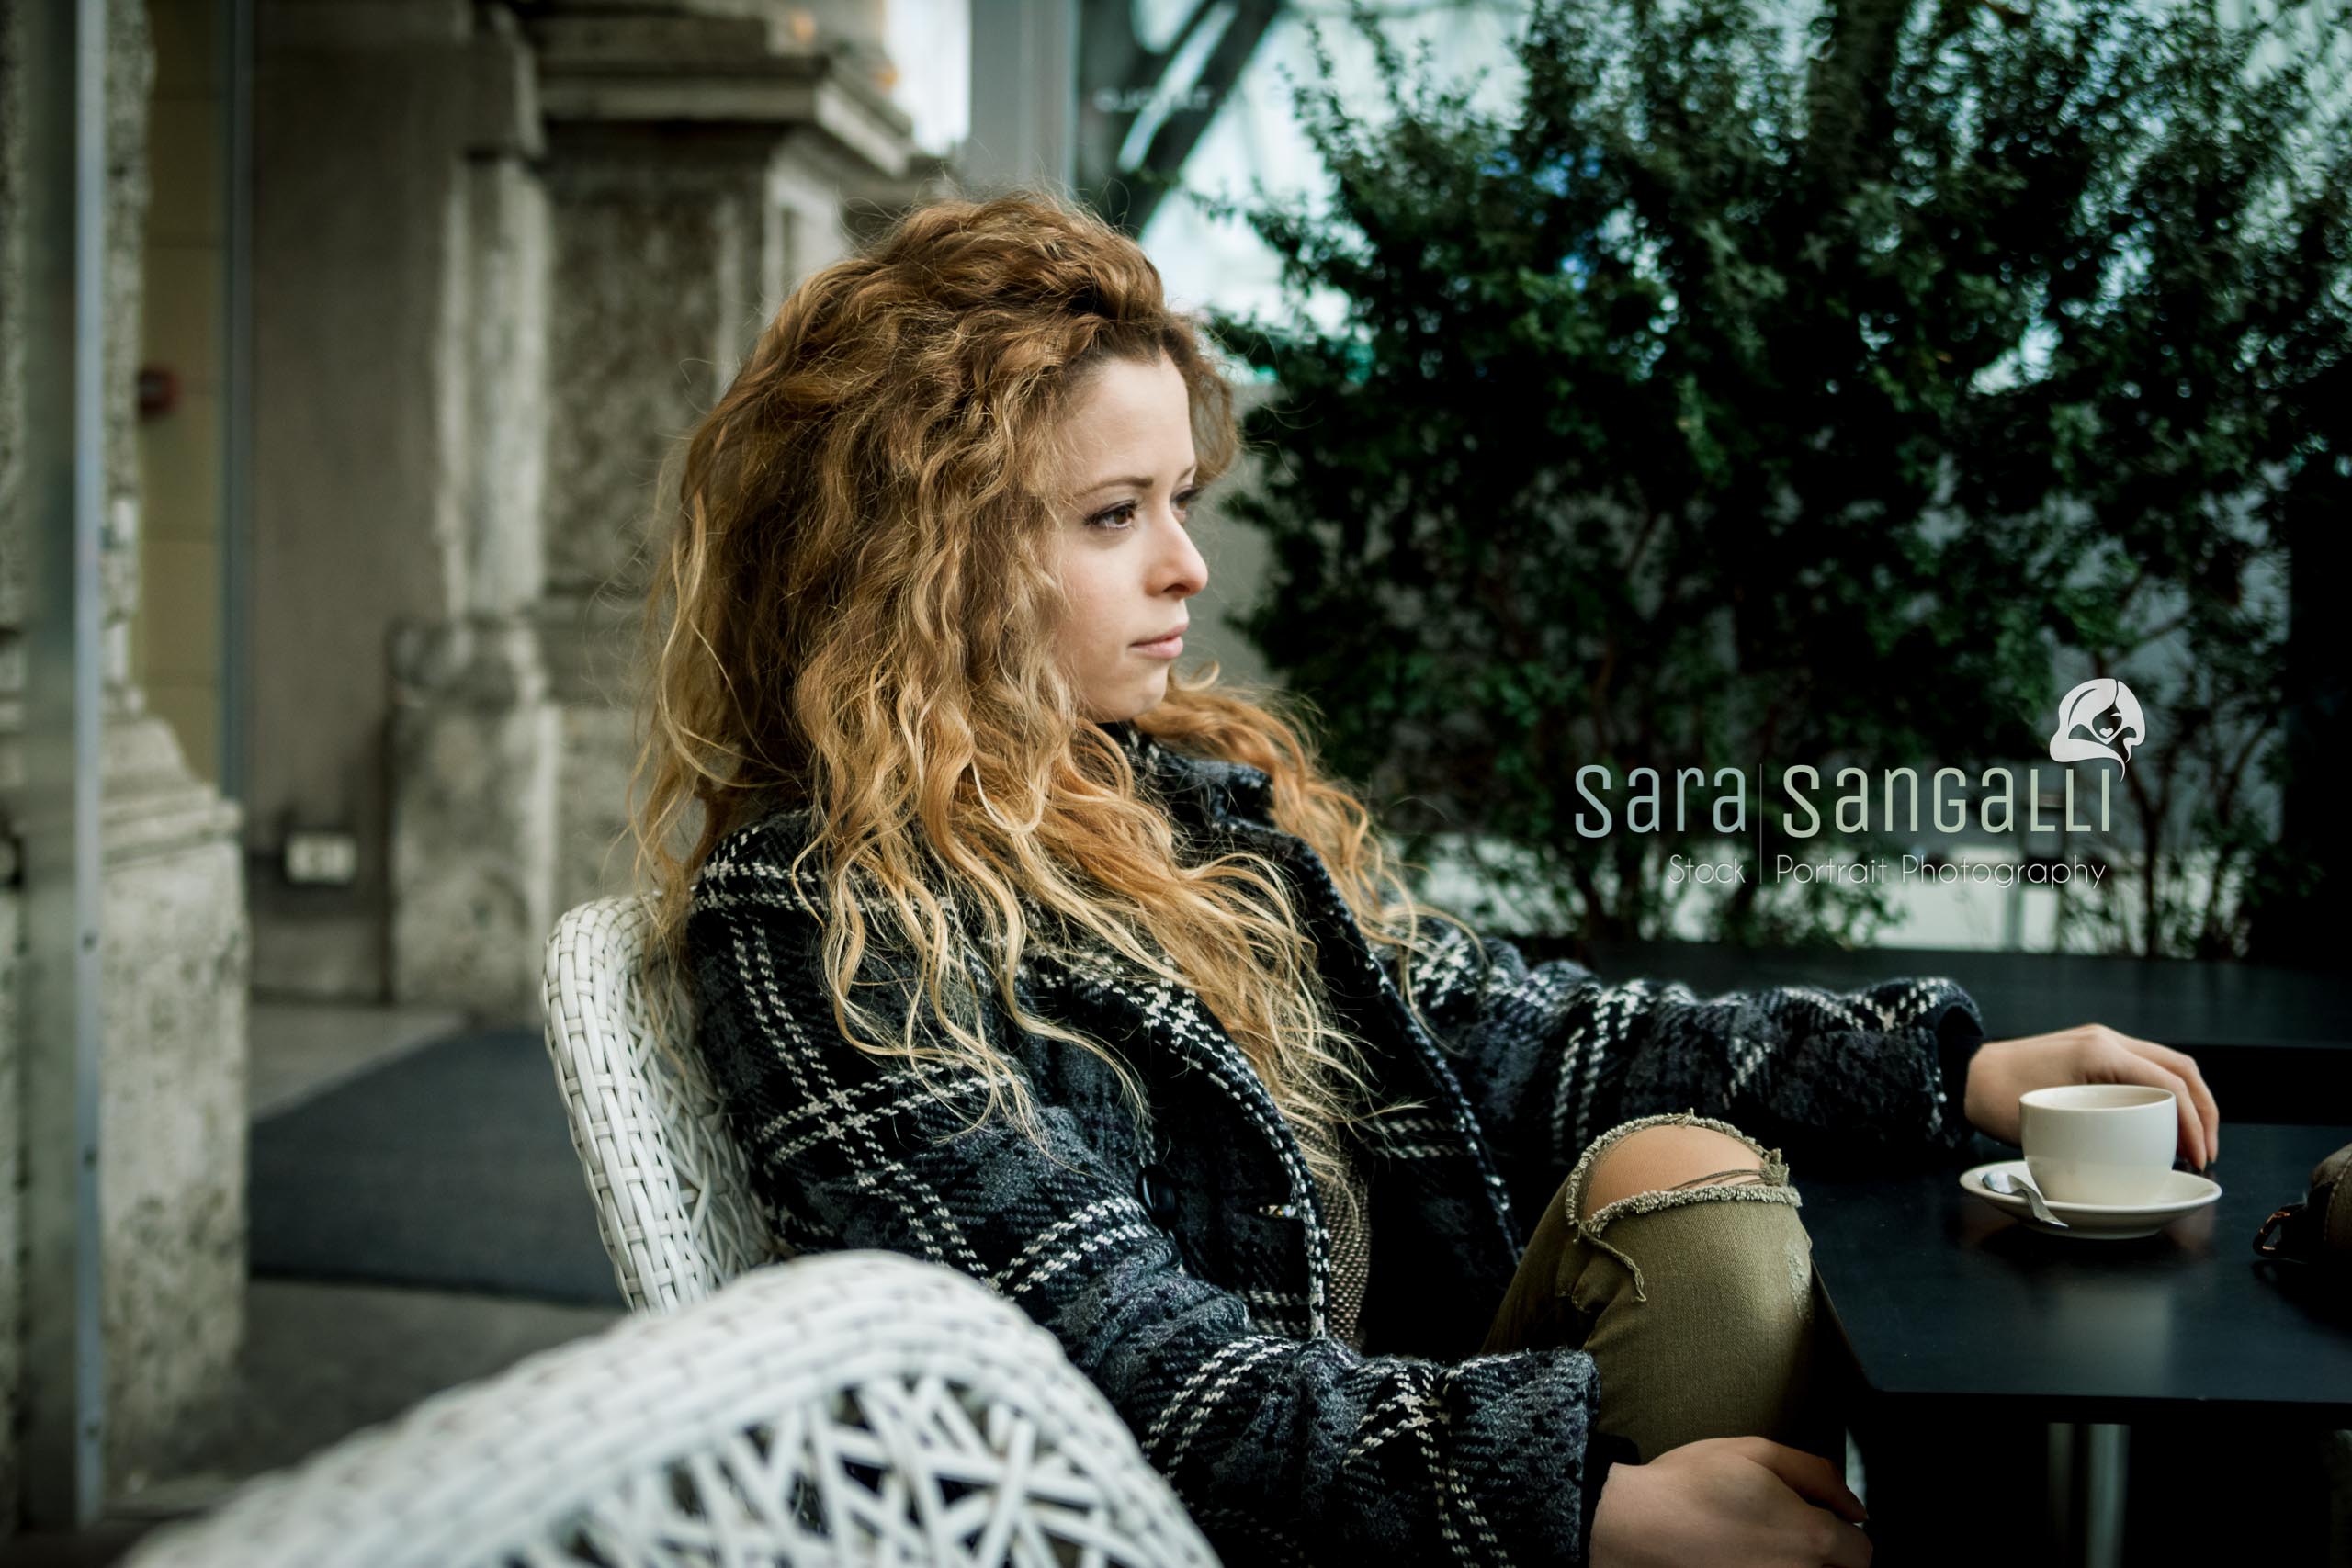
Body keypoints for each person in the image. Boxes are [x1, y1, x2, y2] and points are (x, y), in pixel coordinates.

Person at [628, 190, 2222, 1568]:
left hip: (1367, 1433)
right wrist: (1581, 1508)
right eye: (1114, 516)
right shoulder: (817, 915)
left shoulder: (1172, 809)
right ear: (923, 557)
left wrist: (1957, 1069)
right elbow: (1119, 1369)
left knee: (1681, 1174)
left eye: (1179, 500)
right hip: (1204, 1519)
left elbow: (1527, 1036)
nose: (1186, 565)